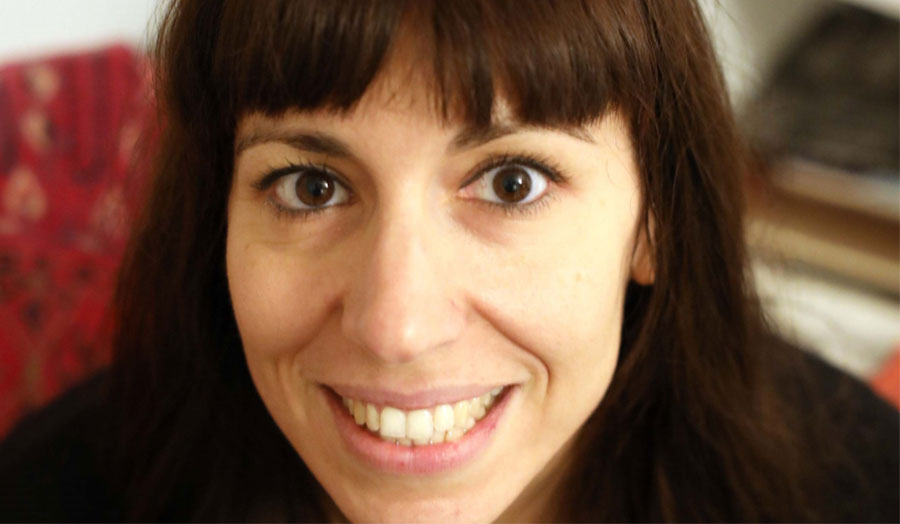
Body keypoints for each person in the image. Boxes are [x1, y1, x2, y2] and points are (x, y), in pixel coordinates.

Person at [0, 0, 897, 521]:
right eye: (311, 186)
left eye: (512, 183)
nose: (396, 327)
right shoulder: (54, 496)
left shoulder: (859, 489)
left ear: (654, 220)